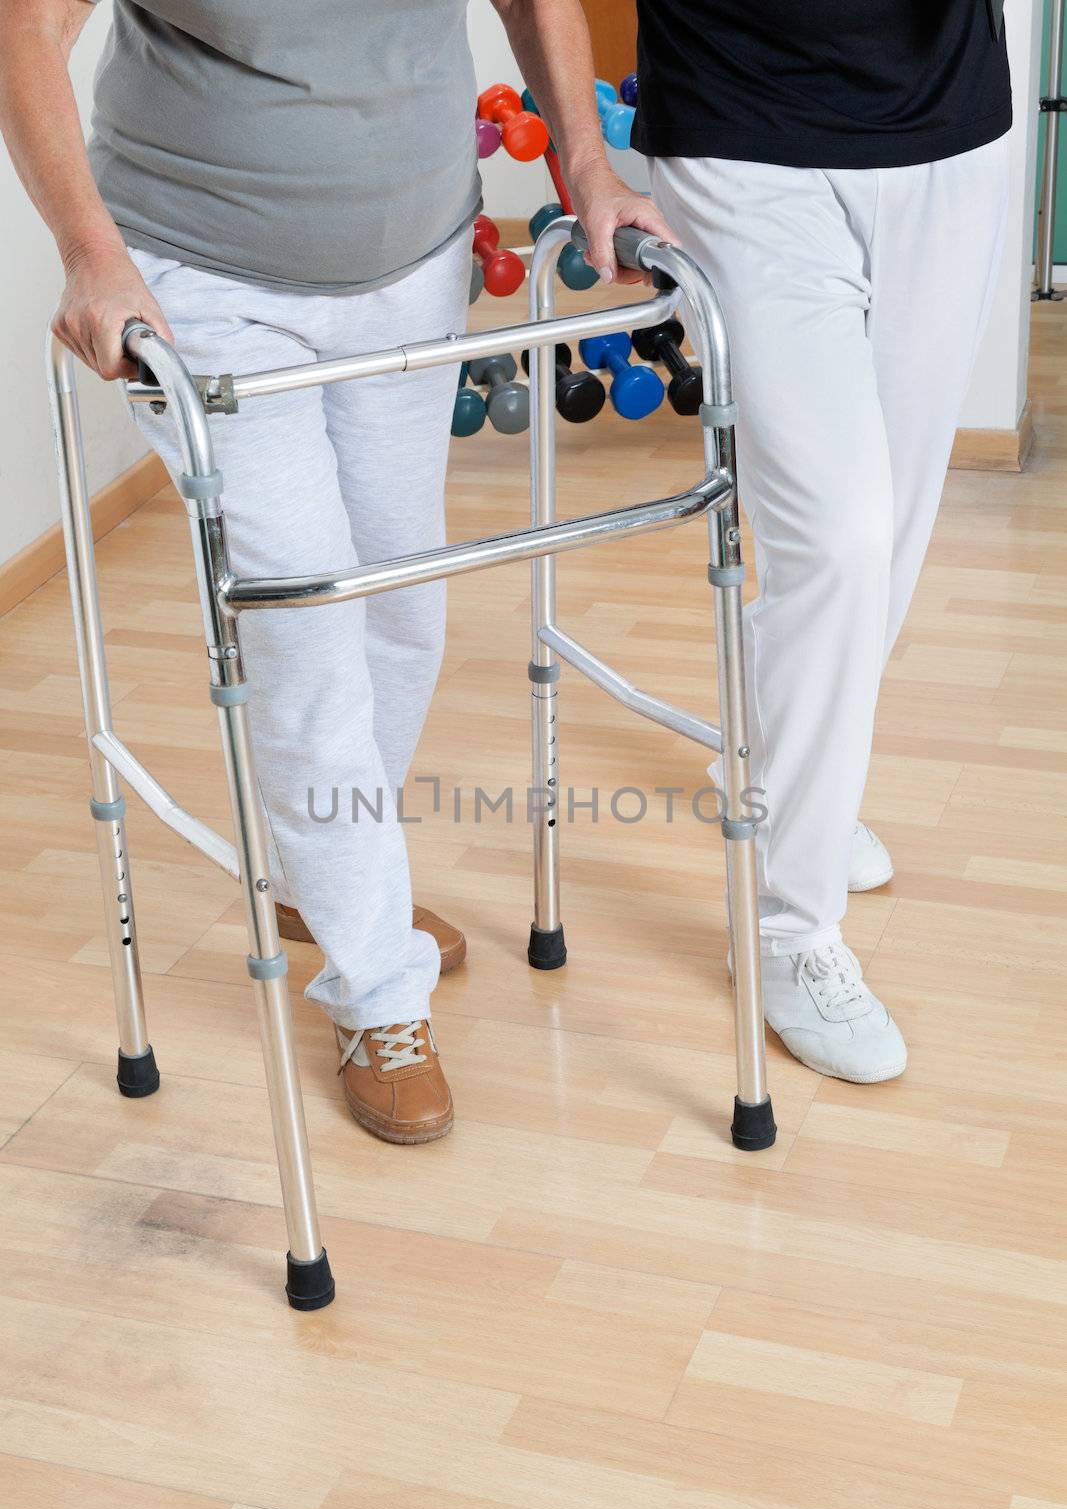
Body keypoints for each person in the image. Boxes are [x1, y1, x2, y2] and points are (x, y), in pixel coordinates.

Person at [0, 0, 669, 1142]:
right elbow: (27, 25)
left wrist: (586, 161)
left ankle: (333, 882)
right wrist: (90, 253)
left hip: (408, 258)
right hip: (202, 274)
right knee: (308, 611)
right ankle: (375, 985)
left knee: (402, 605)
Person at [602, 0, 1009, 1084]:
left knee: (894, 522)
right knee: (836, 533)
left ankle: (784, 780)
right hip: (743, 130)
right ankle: (791, 930)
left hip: (947, 132)